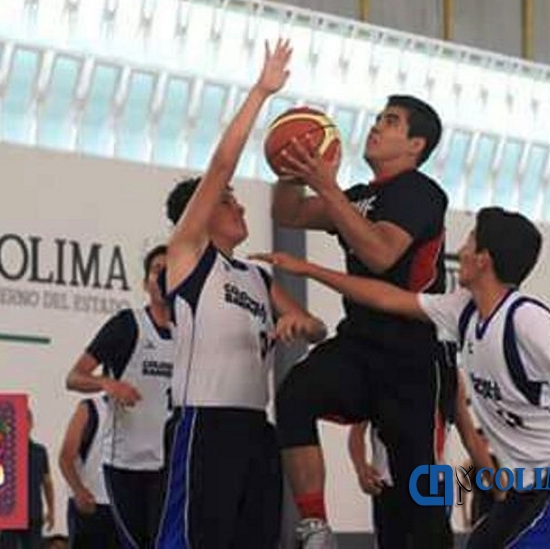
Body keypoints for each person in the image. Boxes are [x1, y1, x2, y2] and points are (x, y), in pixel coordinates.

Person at [255, 206, 550, 548]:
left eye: (469, 242)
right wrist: (309, 270)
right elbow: (386, 298)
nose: (461, 251)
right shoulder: (462, 311)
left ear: (483, 260)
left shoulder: (524, 318)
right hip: (532, 484)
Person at [155, 39, 327, 549]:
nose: (241, 209)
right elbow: (222, 164)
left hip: (256, 428)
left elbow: (315, 327)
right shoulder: (189, 254)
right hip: (204, 423)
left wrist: (303, 327)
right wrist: (261, 91)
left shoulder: (257, 277)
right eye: (229, 203)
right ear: (203, 213)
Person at [271, 93, 449, 548]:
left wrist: (326, 187)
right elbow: (287, 212)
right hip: (360, 345)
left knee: (418, 503)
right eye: (377, 118)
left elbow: (380, 251)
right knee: (295, 394)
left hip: (413, 358)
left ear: (416, 145)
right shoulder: (359, 196)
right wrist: (290, 168)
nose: (375, 126)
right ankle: (314, 526)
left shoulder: (421, 192)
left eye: (390, 121)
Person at [65, 244, 175, 548]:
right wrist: (108, 384)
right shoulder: (127, 325)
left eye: (171, 270)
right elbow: (74, 377)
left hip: (170, 466)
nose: (164, 277)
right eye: (157, 271)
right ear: (145, 282)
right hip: (128, 467)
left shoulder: (190, 332)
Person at [348, 365, 488, 548]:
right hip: (388, 483)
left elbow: (470, 436)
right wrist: (361, 469)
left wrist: (497, 487)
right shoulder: (380, 368)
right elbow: (356, 432)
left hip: (433, 482)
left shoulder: (448, 373)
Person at [58, 395, 117, 548]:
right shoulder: (91, 408)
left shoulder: (143, 412)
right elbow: (65, 457)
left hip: (123, 505)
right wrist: (79, 491)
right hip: (92, 503)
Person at [0, 409, 55, 549]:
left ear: (31, 423)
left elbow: (47, 482)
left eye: (25, 421)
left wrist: (51, 510)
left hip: (33, 513)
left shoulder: (40, 451)